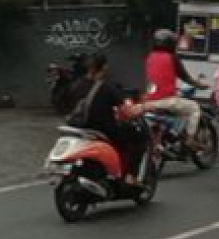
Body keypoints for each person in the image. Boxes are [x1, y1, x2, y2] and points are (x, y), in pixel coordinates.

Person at [75, 52, 145, 184]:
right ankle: (130, 176)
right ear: (104, 67)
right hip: (103, 129)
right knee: (137, 139)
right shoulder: (106, 87)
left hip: (79, 128)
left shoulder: (77, 86)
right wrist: (134, 112)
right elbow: (125, 109)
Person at [142, 28, 208, 151]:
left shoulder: (150, 57)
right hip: (166, 100)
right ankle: (190, 139)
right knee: (194, 108)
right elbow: (185, 77)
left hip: (149, 100)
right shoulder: (172, 57)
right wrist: (200, 85)